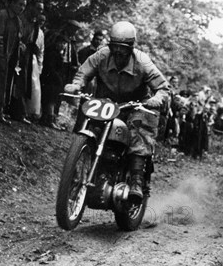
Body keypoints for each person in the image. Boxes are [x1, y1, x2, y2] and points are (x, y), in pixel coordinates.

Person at [64, 21, 169, 204]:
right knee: (93, 127)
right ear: (109, 45)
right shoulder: (102, 55)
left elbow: (163, 88)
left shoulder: (142, 62)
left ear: (131, 47)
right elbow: (84, 72)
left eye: (124, 48)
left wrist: (156, 99)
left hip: (135, 106)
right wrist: (76, 85)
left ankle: (136, 181)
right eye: (115, 47)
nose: (119, 52)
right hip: (106, 104)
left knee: (139, 131)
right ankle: (89, 166)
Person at [0, 0, 27, 125]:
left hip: (10, 58)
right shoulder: (2, 15)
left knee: (5, 85)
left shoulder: (18, 20)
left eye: (24, 6)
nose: (21, 8)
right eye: (19, 4)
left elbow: (18, 38)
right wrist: (0, 55)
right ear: (12, 3)